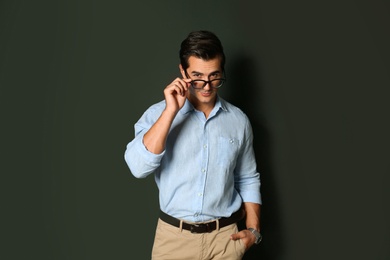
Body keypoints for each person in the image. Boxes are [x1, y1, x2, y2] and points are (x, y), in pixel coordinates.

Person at [124, 30, 262, 260]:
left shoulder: (238, 121)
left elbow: (248, 177)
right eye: (197, 76)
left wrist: (253, 230)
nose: (206, 86)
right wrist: (171, 112)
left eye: (214, 76)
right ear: (182, 71)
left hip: (225, 241)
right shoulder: (157, 115)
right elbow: (138, 168)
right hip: (174, 241)